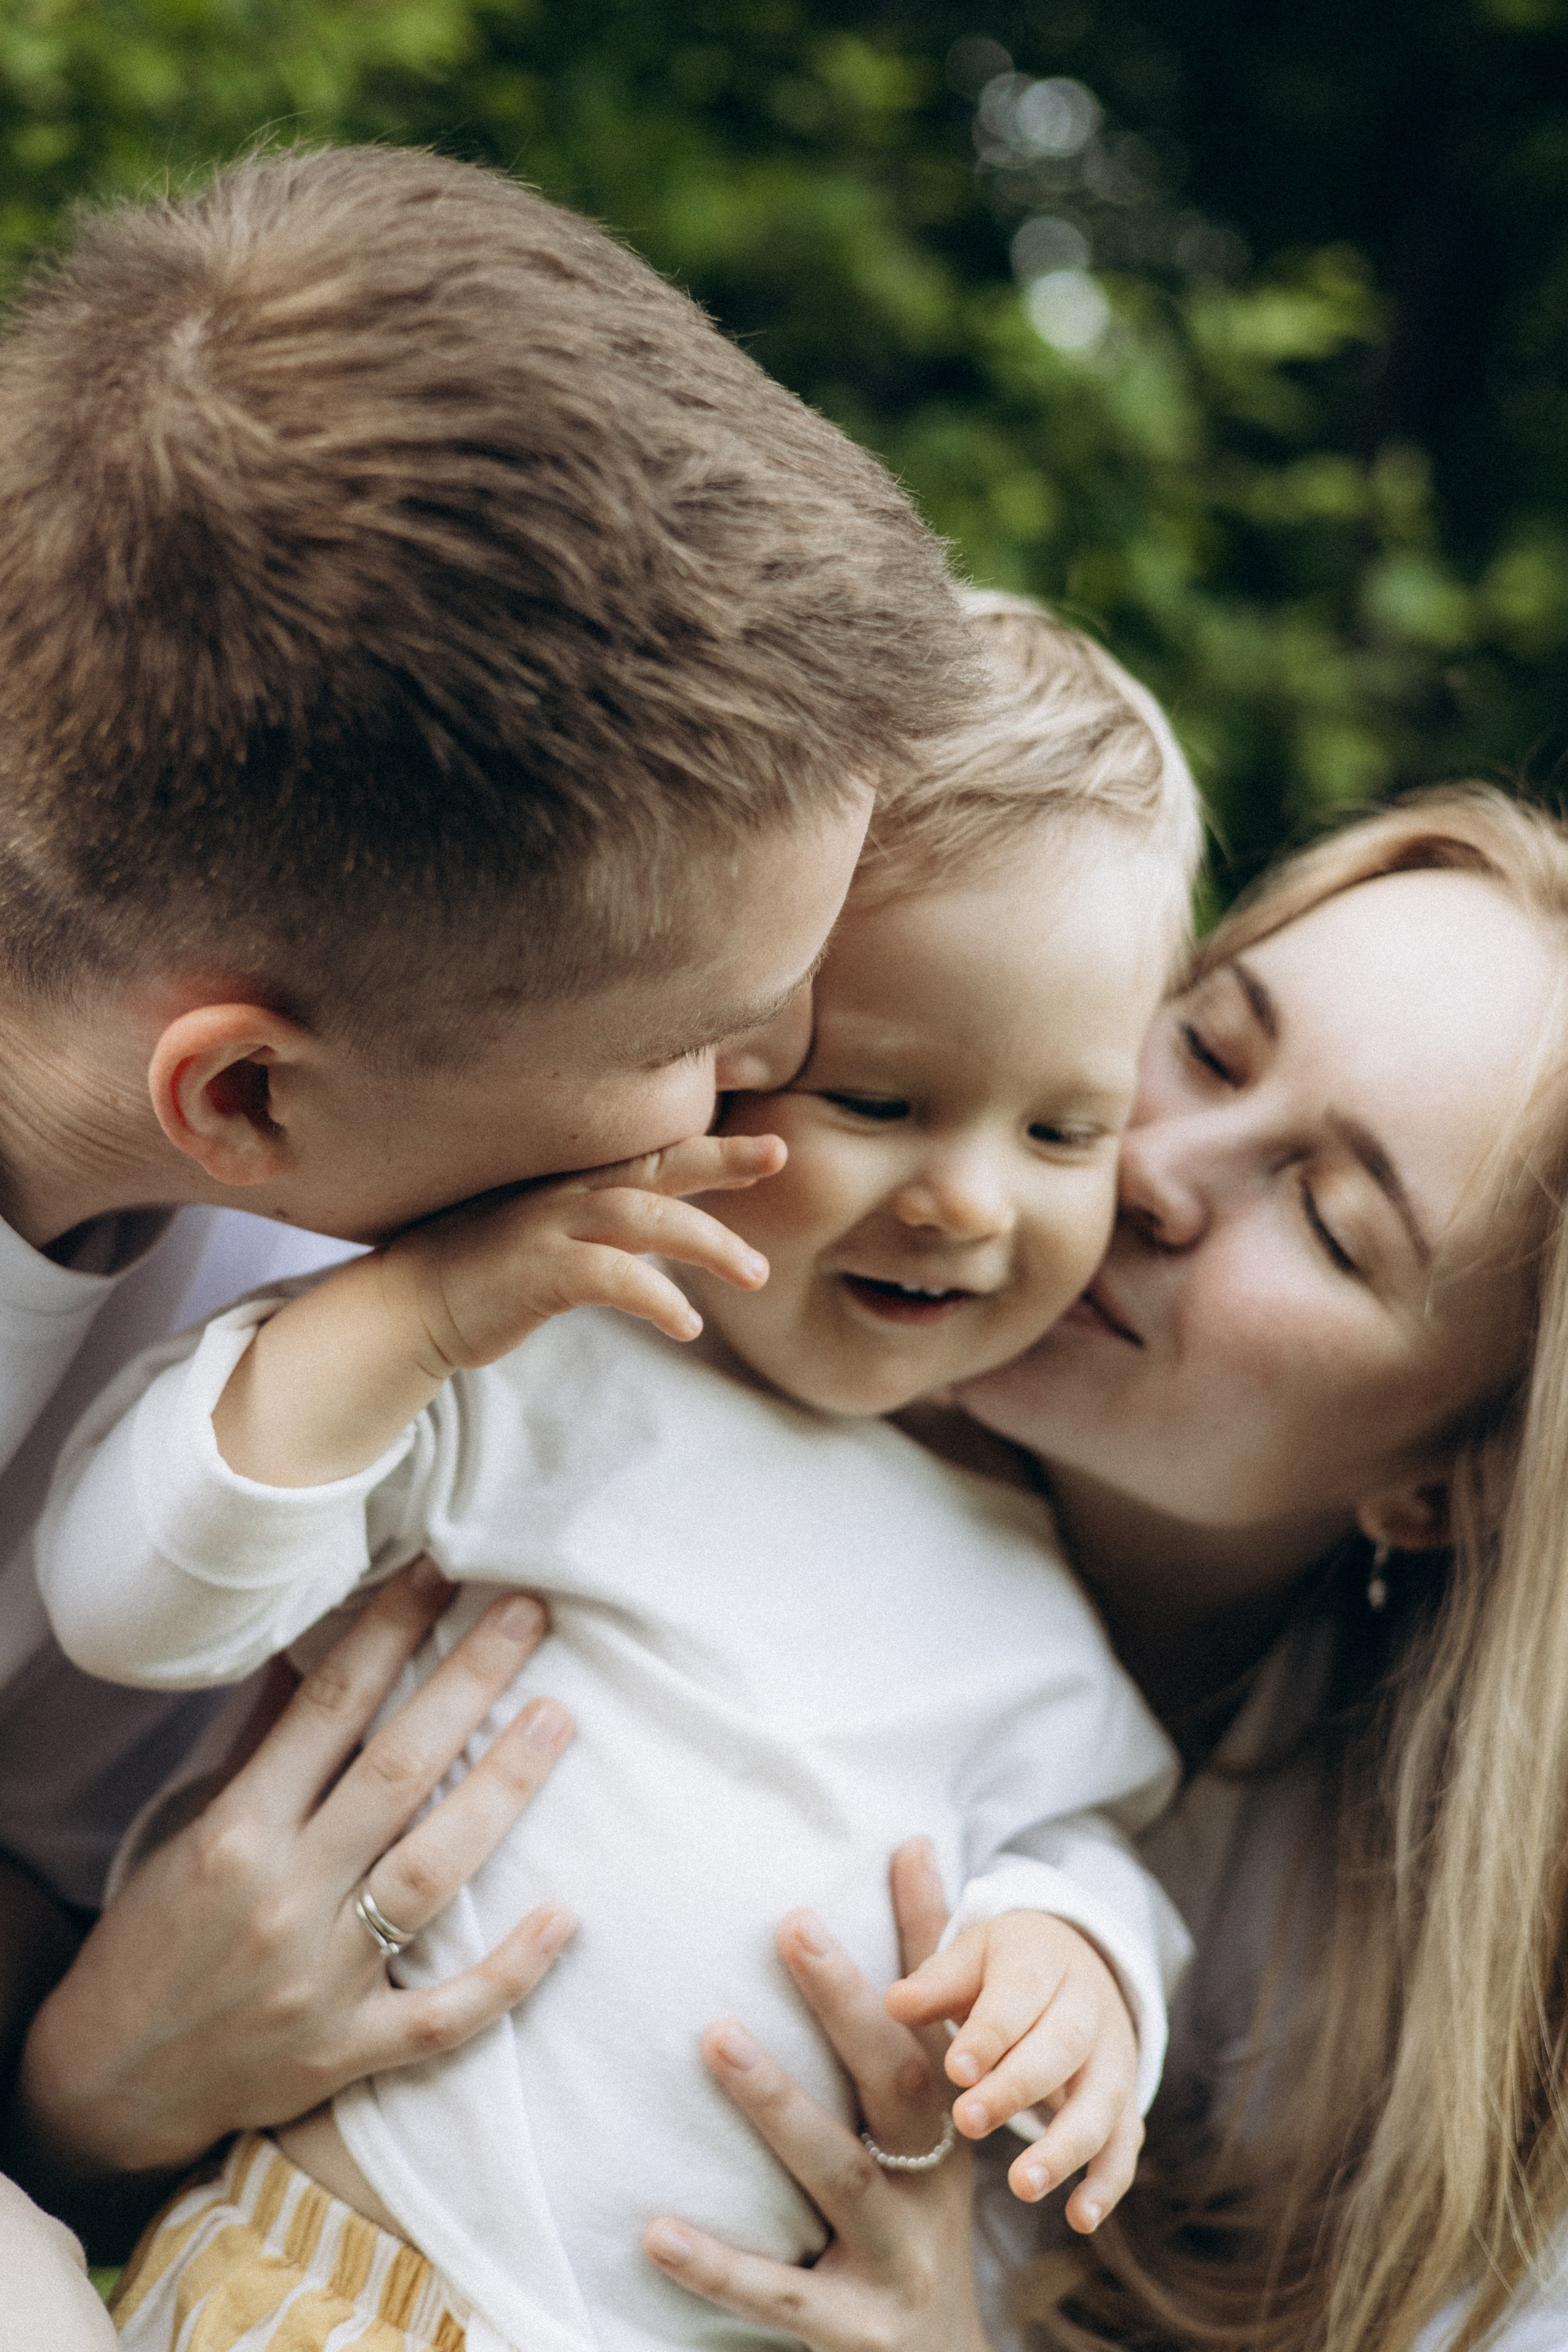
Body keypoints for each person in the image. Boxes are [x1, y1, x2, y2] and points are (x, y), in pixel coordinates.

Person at [0, 137, 974, 2339]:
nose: (774, 1090)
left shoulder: (356, 1297)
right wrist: (78, 2102)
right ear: (247, 1093)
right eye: (712, 1045)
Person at [38, 601, 1202, 2352]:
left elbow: (1077, 1841)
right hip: (334, 2276)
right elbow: (128, 1601)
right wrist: (414, 1323)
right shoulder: (534, 1355)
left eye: (1063, 1131)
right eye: (879, 1100)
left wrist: (1075, 1963)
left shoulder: (1028, 1594)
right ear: (723, 1050)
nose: (973, 1198)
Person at [633, 780, 1568, 2352]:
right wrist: (100, 2097)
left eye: (1330, 1222)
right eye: (1202, 1043)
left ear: (1444, 1485)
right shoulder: (637, 1365)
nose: (1152, 1165)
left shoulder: (1449, 2058)